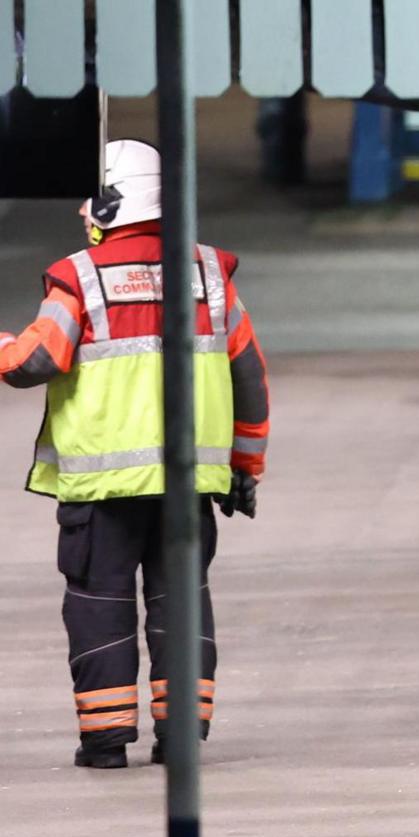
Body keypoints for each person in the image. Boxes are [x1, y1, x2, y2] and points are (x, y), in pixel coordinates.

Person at [2, 140, 269, 769]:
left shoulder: (80, 278)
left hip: (104, 488)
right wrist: (245, 468)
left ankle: (105, 739)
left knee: (100, 602)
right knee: (180, 599)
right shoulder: (208, 276)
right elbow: (249, 376)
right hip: (186, 484)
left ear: (111, 202)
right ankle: (180, 738)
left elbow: (35, 361)